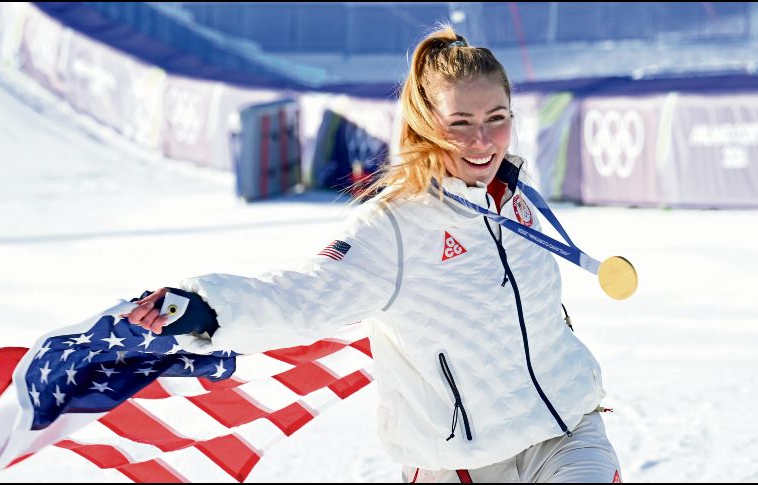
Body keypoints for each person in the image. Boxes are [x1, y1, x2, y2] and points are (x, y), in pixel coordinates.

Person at [127, 25, 622, 483]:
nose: (483, 141)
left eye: (497, 119)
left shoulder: (515, 194)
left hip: (566, 428)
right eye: (461, 123)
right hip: (458, 463)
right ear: (427, 124)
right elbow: (304, 296)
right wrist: (205, 308)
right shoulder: (394, 227)